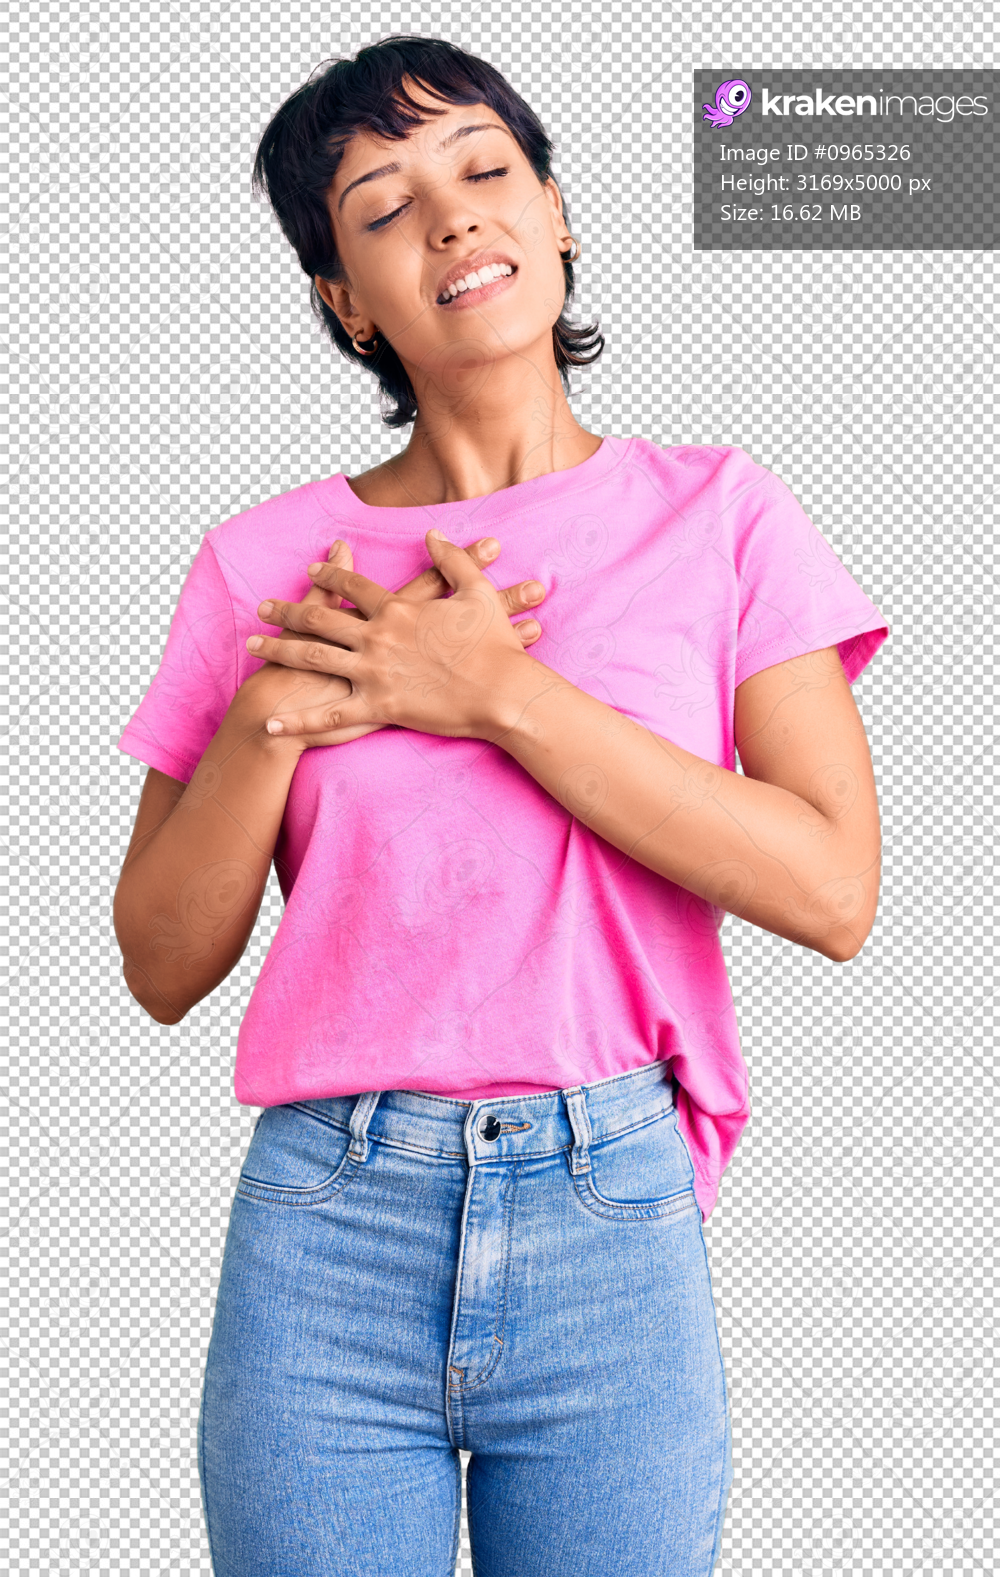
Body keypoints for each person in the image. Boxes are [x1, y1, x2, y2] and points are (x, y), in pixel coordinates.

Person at [112, 35, 889, 1577]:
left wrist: (497, 696)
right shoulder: (264, 568)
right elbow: (157, 963)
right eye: (384, 209)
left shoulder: (719, 512)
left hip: (612, 1211)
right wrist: (274, 715)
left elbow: (833, 889)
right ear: (346, 302)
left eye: (485, 170)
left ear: (556, 211)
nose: (454, 218)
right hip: (329, 1223)